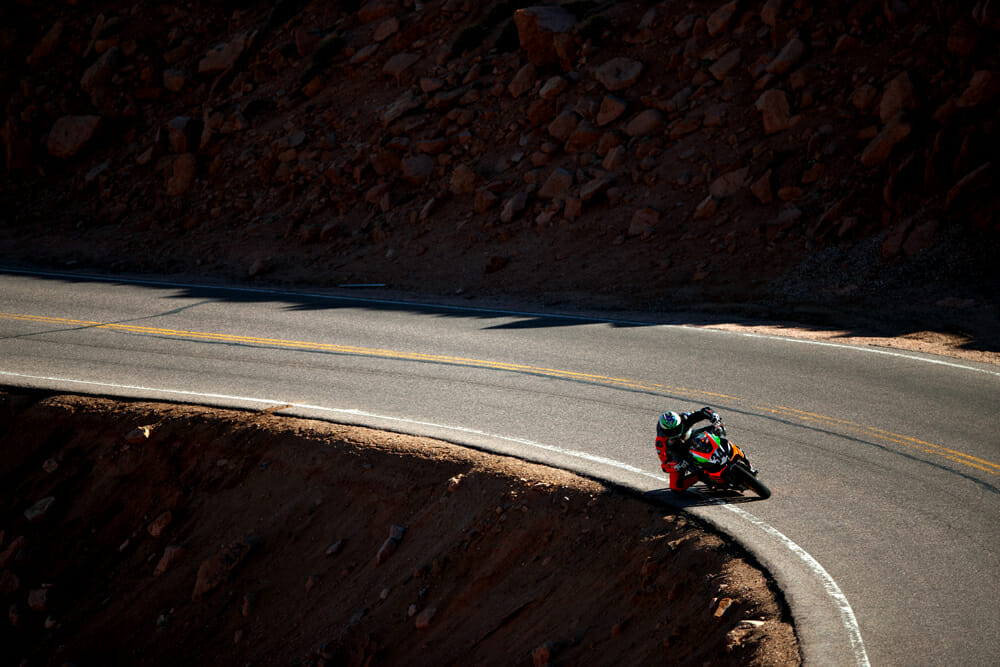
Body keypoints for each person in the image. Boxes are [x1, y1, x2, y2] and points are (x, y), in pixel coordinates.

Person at [655, 406, 723, 491]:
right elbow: (665, 466)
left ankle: (726, 447)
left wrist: (713, 417)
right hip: (682, 455)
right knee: (676, 486)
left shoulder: (684, 418)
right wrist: (677, 466)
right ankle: (700, 475)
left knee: (718, 429)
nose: (675, 432)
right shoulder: (660, 442)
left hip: (693, 437)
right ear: (664, 430)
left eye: (677, 428)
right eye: (670, 431)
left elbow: (705, 411)